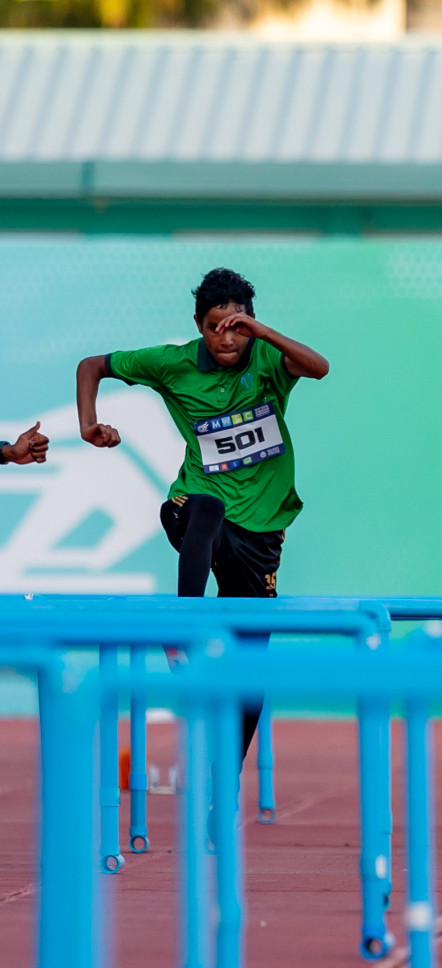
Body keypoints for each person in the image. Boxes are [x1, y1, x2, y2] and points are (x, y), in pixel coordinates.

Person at [75, 267, 329, 759]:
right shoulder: (172, 364)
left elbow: (318, 367)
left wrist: (265, 334)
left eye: (236, 326)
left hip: (259, 531)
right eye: (214, 326)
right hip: (193, 509)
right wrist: (88, 425)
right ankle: (181, 628)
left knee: (252, 668)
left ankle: (225, 780)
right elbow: (92, 365)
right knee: (207, 506)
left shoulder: (270, 359)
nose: (225, 337)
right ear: (198, 325)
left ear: (251, 325)